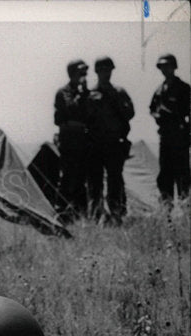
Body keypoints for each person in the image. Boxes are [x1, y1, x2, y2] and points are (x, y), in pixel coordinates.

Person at [86, 56, 135, 223]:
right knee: (95, 182)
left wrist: (116, 101)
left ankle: (117, 214)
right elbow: (84, 118)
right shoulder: (90, 95)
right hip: (95, 144)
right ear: (97, 72)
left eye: (109, 70)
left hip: (114, 143)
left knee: (115, 180)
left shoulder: (119, 92)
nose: (106, 74)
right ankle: (96, 215)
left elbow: (130, 114)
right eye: (103, 70)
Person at [149, 53, 191, 204]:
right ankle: (166, 212)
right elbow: (152, 108)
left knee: (182, 177)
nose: (165, 69)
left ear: (174, 67)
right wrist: (159, 115)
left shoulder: (184, 88)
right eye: (162, 67)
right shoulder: (160, 90)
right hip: (165, 138)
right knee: (165, 176)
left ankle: (185, 212)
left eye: (168, 66)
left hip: (180, 138)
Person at [54, 59, 91, 221]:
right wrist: (82, 94)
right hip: (69, 140)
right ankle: (63, 214)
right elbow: (69, 110)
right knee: (68, 177)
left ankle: (81, 215)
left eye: (84, 73)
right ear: (72, 74)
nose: (83, 76)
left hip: (83, 140)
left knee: (82, 178)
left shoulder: (87, 94)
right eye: (80, 72)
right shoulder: (63, 92)